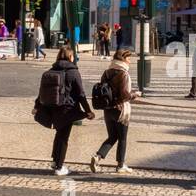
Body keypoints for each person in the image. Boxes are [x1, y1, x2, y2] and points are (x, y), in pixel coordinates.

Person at [34, 45, 94, 176]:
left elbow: (41, 91)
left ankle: (55, 161)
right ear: (70, 57)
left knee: (59, 134)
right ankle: (59, 167)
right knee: (63, 137)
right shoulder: (73, 72)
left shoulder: (52, 69)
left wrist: (36, 106)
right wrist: (88, 111)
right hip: (67, 109)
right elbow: (81, 94)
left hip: (53, 107)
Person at [90, 48, 140, 173]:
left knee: (112, 136)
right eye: (128, 59)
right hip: (120, 110)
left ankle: (98, 156)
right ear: (123, 59)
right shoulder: (123, 73)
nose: (129, 62)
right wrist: (135, 95)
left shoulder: (107, 72)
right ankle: (120, 165)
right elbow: (124, 96)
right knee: (122, 138)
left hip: (108, 110)